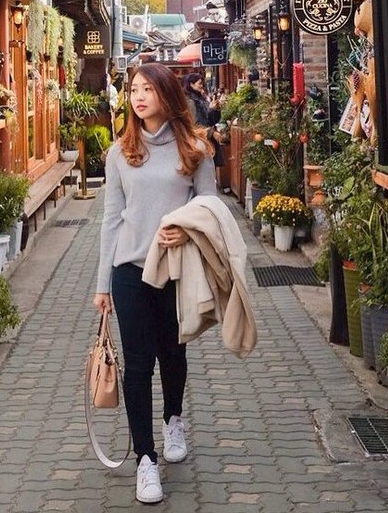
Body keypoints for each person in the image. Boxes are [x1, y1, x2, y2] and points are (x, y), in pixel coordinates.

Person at [93, 62, 217, 504]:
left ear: (166, 94)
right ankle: (146, 460)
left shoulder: (195, 147)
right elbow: (111, 220)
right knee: (138, 363)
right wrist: (102, 283)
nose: (138, 96)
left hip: (175, 268)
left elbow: (211, 206)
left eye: (147, 89)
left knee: (173, 352)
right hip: (129, 269)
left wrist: (185, 229)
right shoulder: (119, 152)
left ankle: (174, 418)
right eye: (133, 89)